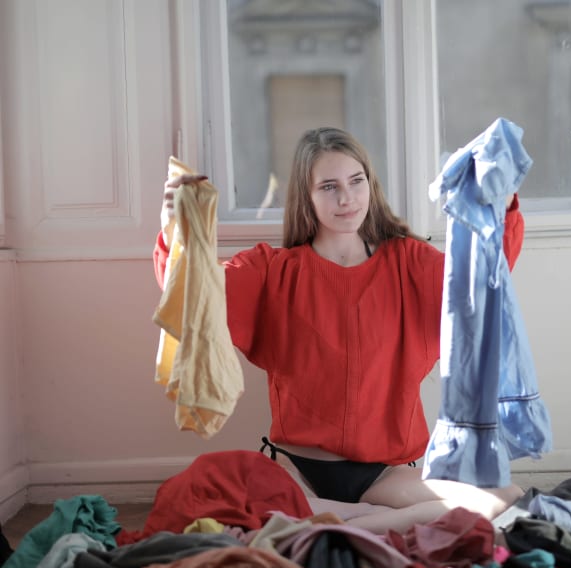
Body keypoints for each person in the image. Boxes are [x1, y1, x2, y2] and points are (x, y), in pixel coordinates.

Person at [153, 126, 527, 534]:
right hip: (297, 467)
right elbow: (194, 294)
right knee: (201, 496)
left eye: (356, 181)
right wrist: (175, 228)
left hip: (385, 475)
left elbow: (481, 281)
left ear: (370, 183)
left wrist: (502, 203)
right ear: (306, 197)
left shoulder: (410, 262)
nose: (346, 198)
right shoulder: (272, 270)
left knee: (505, 496)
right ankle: (364, 521)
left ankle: (345, 519)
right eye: (329, 186)